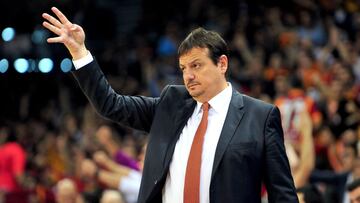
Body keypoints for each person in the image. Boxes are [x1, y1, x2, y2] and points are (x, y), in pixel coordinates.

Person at [42, 7, 298, 203]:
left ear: (222, 64)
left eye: (196, 65)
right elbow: (111, 104)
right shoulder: (170, 104)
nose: (188, 76)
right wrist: (79, 53)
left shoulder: (260, 116)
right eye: (183, 68)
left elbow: (283, 194)